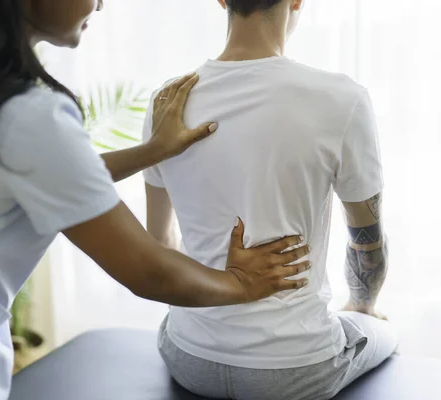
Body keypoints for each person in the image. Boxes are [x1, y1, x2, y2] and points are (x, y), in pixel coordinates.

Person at [0, 1, 314, 399]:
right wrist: (239, 284)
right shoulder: (27, 115)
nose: (102, 1)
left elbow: (34, 179)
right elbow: (148, 269)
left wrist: (153, 151)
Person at [144, 1, 399, 399]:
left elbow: (159, 244)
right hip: (294, 370)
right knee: (385, 329)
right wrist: (362, 306)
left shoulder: (168, 101)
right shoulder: (341, 98)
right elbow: (368, 245)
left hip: (186, 356)